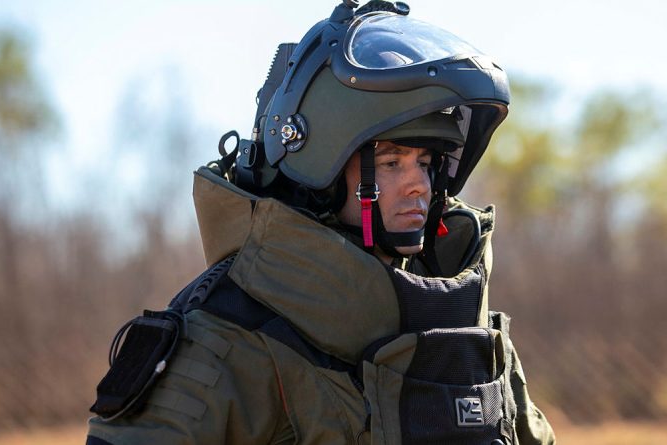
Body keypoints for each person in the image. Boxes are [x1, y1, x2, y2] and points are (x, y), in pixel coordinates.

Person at [86, 1, 555, 444]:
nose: (419, 186)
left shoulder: (468, 326)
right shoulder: (225, 339)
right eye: (390, 162)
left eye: (427, 161)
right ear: (321, 169)